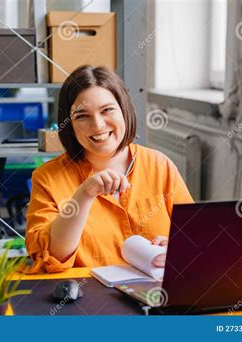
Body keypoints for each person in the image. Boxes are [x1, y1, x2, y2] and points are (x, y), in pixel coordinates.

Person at [25, 65, 194, 273]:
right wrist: (84, 194)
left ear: (124, 110)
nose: (97, 126)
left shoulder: (160, 166)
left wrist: (177, 248)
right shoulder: (47, 178)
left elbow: (196, 240)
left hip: (158, 296)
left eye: (107, 110)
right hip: (89, 300)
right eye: (82, 116)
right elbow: (52, 257)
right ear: (69, 125)